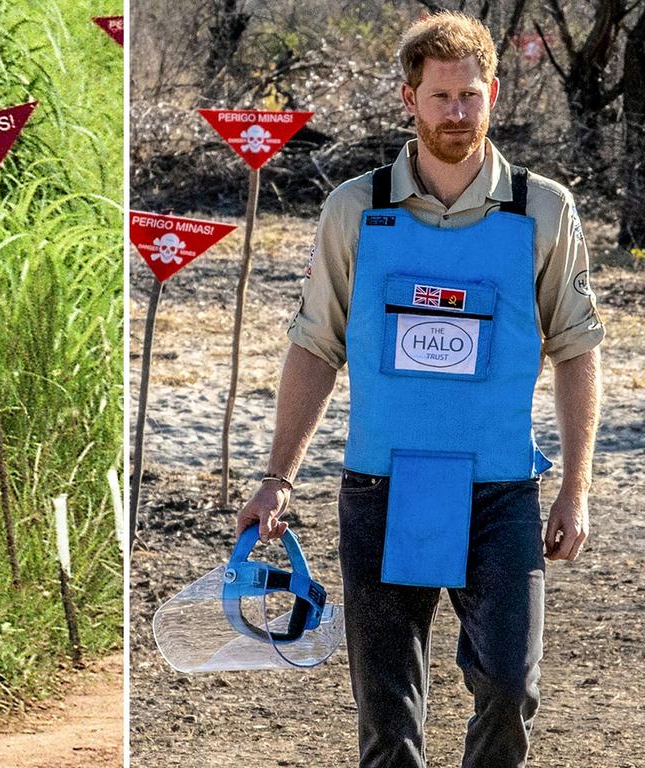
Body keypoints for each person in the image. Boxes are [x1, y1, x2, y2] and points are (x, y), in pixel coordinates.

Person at [237, 11, 603, 768]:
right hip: (379, 487)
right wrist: (278, 476)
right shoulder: (355, 208)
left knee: (510, 684)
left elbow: (576, 349)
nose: (456, 114)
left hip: (501, 490)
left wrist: (576, 488)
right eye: (440, 97)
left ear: (493, 93)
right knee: (389, 720)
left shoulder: (542, 209)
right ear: (410, 98)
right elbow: (313, 346)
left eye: (470, 95)